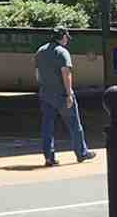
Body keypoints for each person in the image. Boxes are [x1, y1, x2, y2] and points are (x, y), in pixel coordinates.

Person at [35, 26, 96, 167]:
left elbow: (37, 75)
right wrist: (69, 94)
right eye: (66, 37)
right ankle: (81, 153)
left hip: (45, 94)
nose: (67, 40)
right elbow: (66, 74)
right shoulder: (63, 52)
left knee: (47, 126)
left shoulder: (40, 51)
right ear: (62, 37)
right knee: (74, 124)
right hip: (61, 95)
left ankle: (49, 157)